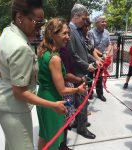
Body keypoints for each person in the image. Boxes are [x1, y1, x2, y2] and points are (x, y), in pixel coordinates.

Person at [0, 1, 66, 150]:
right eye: (37, 23)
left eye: (41, 23)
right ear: (19, 17)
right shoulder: (20, 47)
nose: (40, 28)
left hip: (3, 100)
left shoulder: (8, 31)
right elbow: (20, 92)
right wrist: (53, 105)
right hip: (13, 108)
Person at [36, 18, 86, 150]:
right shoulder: (55, 58)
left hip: (42, 98)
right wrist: (78, 90)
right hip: (52, 101)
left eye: (68, 33)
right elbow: (62, 90)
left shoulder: (44, 52)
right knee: (53, 139)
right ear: (53, 34)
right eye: (64, 33)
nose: (68, 37)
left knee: (45, 135)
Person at [67, 3, 102, 139]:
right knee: (81, 100)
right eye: (84, 18)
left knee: (81, 100)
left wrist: (94, 60)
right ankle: (81, 127)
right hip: (77, 73)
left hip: (81, 71)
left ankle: (80, 122)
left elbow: (84, 51)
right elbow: (73, 54)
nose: (85, 21)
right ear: (76, 16)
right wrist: (87, 66)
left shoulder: (77, 29)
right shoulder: (70, 30)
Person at [87, 15, 110, 101]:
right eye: (102, 21)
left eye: (105, 21)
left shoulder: (107, 32)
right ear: (97, 23)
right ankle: (90, 93)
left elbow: (108, 45)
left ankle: (100, 93)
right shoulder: (91, 33)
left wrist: (106, 53)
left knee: (99, 76)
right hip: (92, 58)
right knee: (90, 76)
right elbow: (92, 48)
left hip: (102, 58)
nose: (104, 23)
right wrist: (101, 55)